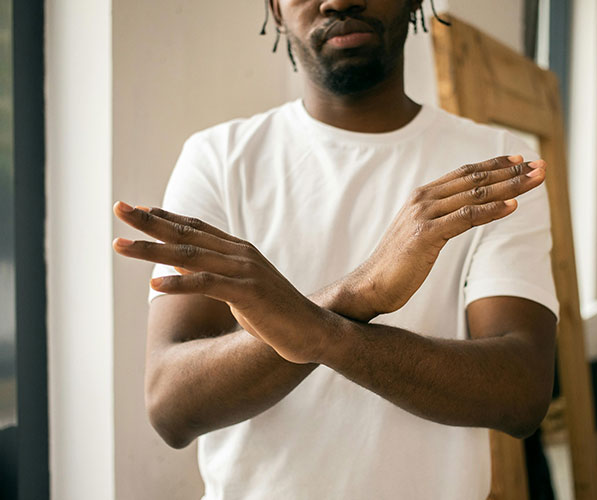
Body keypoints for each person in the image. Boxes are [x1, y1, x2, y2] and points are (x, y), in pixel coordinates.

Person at [113, 1, 559, 498]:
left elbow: (521, 393)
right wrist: (355, 294)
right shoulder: (218, 159)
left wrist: (321, 332)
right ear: (275, 9)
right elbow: (171, 407)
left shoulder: (494, 169)